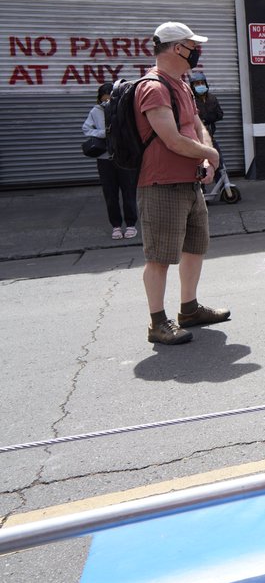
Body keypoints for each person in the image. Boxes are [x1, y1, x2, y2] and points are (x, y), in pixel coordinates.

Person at [137, 22, 228, 346]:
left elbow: (195, 124)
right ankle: (157, 323)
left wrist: (204, 157)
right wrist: (210, 154)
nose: (196, 51)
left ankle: (189, 309)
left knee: (194, 247)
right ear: (178, 48)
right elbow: (172, 139)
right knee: (159, 257)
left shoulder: (182, 84)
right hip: (162, 183)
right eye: (192, 46)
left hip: (190, 181)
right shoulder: (154, 87)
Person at [82, 82, 139, 240]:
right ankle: (115, 225)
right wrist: (104, 133)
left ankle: (130, 224)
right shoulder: (96, 111)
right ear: (99, 99)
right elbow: (86, 129)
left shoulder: (125, 110)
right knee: (110, 193)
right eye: (103, 99)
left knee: (129, 191)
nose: (106, 102)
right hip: (105, 159)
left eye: (109, 99)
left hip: (124, 157)